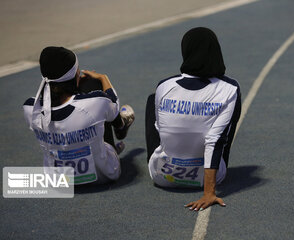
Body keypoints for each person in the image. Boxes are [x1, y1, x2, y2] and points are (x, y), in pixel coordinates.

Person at [146, 27, 241, 211]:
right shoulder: (229, 88)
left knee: (153, 101)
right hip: (203, 180)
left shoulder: (164, 86)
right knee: (222, 131)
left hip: (162, 177)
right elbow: (216, 139)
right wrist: (208, 193)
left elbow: (159, 128)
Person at [23, 46, 134, 184]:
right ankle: (120, 129)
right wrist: (103, 78)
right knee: (99, 100)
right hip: (103, 176)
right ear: (75, 74)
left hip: (57, 180)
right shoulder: (95, 102)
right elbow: (113, 104)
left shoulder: (30, 108)